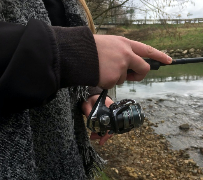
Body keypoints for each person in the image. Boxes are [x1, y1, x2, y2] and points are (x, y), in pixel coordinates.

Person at [0, 0, 172, 179]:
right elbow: (59, 51)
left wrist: (91, 93)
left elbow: (58, 65)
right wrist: (75, 52)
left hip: (67, 159)